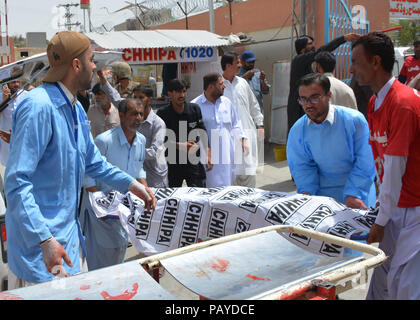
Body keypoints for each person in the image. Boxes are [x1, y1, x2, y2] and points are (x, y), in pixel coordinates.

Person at [4, 30, 155, 288]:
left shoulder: (75, 109)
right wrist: (44, 239)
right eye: (91, 60)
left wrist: (134, 186)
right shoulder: (38, 107)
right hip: (42, 251)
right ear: (76, 65)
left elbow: (94, 163)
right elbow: (17, 182)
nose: (95, 66)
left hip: (68, 241)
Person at [350, 32, 420, 300]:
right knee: (382, 279)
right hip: (395, 207)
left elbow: (394, 169)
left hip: (414, 210)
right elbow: (380, 164)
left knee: (407, 285)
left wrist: (380, 221)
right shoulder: (374, 101)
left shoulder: (402, 104)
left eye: (356, 61)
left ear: (376, 61)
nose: (352, 68)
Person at [81, 98, 152, 271]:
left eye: (141, 114)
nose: (138, 118)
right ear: (121, 115)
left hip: (124, 209)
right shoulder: (104, 141)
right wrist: (100, 207)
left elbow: (139, 168)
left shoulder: (141, 140)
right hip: (101, 213)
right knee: (100, 259)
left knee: (119, 252)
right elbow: (87, 175)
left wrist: (145, 187)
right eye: (134, 113)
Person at [286, 73, 376, 209]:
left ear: (329, 96)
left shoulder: (354, 121)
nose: (308, 105)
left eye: (314, 98)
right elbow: (301, 167)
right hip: (322, 198)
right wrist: (307, 193)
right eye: (303, 99)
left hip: (359, 193)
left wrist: (354, 193)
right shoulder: (298, 130)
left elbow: (366, 161)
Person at [97, 71, 169, 188]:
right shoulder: (129, 107)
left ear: (150, 100)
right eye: (135, 97)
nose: (137, 100)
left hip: (154, 175)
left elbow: (155, 152)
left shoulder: (158, 124)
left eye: (141, 97)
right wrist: (101, 77)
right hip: (134, 173)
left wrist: (129, 151)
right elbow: (114, 96)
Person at [287, 33, 359, 133]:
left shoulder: (311, 69)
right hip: (298, 110)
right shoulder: (299, 60)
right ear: (302, 49)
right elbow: (321, 51)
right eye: (310, 44)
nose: (313, 46)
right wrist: (343, 38)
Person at [191, 73, 248, 187]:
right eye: (221, 84)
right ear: (211, 87)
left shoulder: (226, 102)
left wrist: (242, 140)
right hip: (207, 158)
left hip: (227, 155)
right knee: (209, 190)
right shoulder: (195, 105)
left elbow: (236, 123)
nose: (224, 86)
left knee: (227, 187)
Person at [156, 79, 213, 187]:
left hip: (193, 160)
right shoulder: (163, 113)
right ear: (170, 94)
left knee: (199, 193)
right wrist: (181, 146)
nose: (182, 95)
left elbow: (202, 131)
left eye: (184, 91)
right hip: (173, 162)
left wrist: (209, 154)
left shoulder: (194, 109)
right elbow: (160, 140)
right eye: (178, 92)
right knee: (173, 196)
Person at [221, 52, 264, 188]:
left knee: (249, 176)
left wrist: (260, 124)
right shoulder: (218, 86)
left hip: (247, 135)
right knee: (231, 179)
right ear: (228, 66)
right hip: (227, 138)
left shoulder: (243, 83)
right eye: (237, 63)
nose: (240, 65)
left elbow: (254, 105)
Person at [0, 79, 27, 169]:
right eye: (13, 82)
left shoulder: (26, 95)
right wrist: (4, 101)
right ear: (6, 84)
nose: (16, 84)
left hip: (23, 139)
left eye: (17, 82)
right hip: (6, 142)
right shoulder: (0, 97)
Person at [238, 50, 271, 115]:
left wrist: (262, 80)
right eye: (249, 62)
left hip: (258, 113)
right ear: (243, 62)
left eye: (253, 62)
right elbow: (234, 86)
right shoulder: (237, 74)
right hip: (245, 113)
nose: (252, 64)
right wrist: (246, 76)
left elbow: (266, 91)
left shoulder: (257, 74)